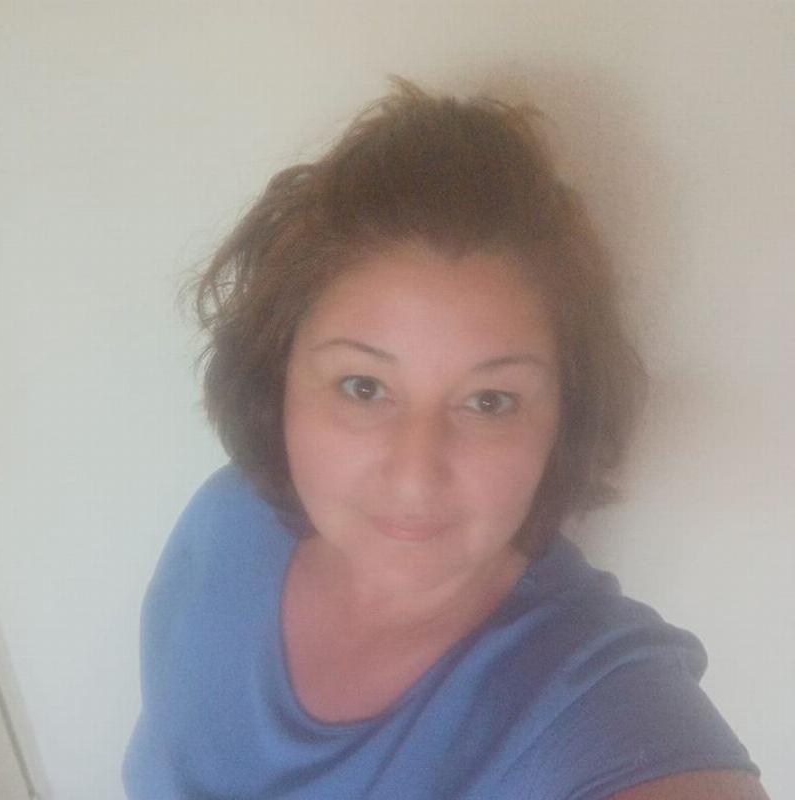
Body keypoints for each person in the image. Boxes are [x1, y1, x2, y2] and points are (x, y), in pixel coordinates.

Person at [123, 80, 767, 799]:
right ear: (278, 379)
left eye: (489, 402)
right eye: (363, 387)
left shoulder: (599, 702)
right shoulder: (225, 519)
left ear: (565, 418)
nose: (415, 476)